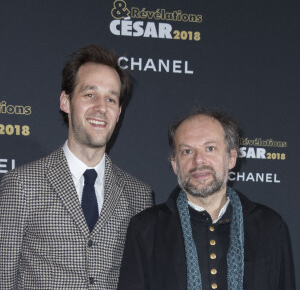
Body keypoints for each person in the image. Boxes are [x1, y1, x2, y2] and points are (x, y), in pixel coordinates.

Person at [0, 45, 154, 289]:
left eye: (111, 99)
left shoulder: (139, 196)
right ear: (65, 101)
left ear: (119, 112)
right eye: (89, 94)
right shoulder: (21, 185)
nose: (101, 108)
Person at [117, 109, 295, 290]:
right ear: (174, 164)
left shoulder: (269, 226)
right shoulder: (146, 229)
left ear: (231, 158)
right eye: (187, 151)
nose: (199, 160)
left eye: (210, 148)